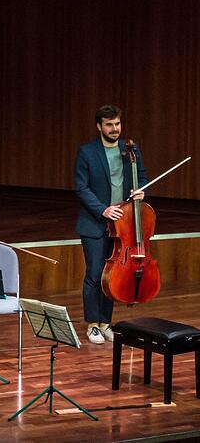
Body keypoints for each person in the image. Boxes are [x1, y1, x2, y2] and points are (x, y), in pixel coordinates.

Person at [75, 105, 147, 344]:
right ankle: (92, 324)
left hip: (123, 224)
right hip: (95, 223)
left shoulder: (130, 149)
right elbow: (81, 188)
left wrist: (141, 190)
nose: (114, 129)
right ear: (99, 126)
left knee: (112, 275)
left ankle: (106, 323)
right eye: (109, 125)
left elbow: (142, 177)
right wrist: (102, 209)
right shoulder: (87, 152)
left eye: (117, 124)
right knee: (95, 274)